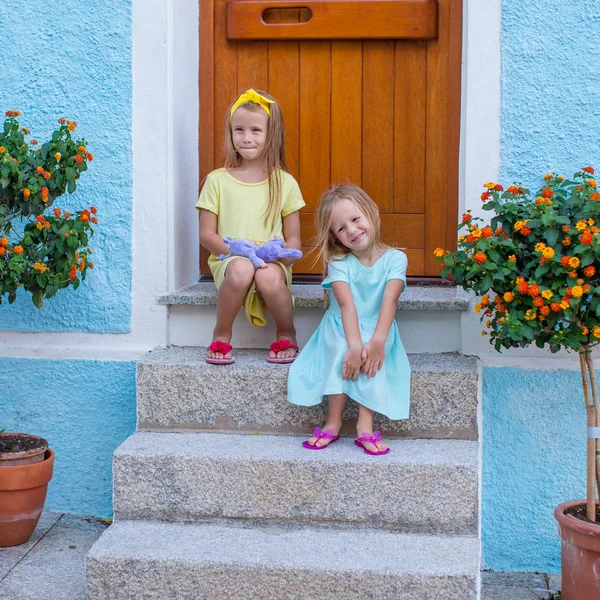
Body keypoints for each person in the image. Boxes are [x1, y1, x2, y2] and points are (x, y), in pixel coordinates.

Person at [287, 184, 410, 455]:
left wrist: (376, 341)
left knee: (372, 350)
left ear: (373, 213)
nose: (352, 230)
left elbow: (390, 300)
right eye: (342, 228)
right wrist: (354, 345)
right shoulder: (338, 261)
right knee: (344, 346)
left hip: (378, 325)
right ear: (335, 236)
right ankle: (333, 420)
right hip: (340, 324)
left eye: (356, 219)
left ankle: (365, 424)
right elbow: (346, 305)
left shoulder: (396, 259)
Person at [196, 89, 305, 365]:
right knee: (242, 268)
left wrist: (273, 255)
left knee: (267, 277)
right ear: (230, 133)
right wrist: (234, 249)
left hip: (272, 263)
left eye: (256, 130)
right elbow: (207, 234)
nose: (246, 138)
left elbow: (293, 242)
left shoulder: (285, 183)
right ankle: (221, 333)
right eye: (239, 130)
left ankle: (286, 331)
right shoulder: (217, 180)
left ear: (272, 135)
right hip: (229, 260)